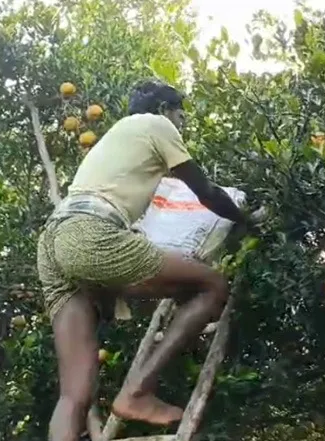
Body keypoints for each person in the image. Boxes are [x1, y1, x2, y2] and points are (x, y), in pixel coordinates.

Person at [36, 79, 255, 441]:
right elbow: (206, 192)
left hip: (53, 240)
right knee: (212, 286)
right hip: (89, 233)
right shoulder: (158, 125)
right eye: (181, 115)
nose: (182, 124)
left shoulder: (116, 138)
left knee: (74, 393)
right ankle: (137, 392)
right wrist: (246, 219)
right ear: (165, 110)